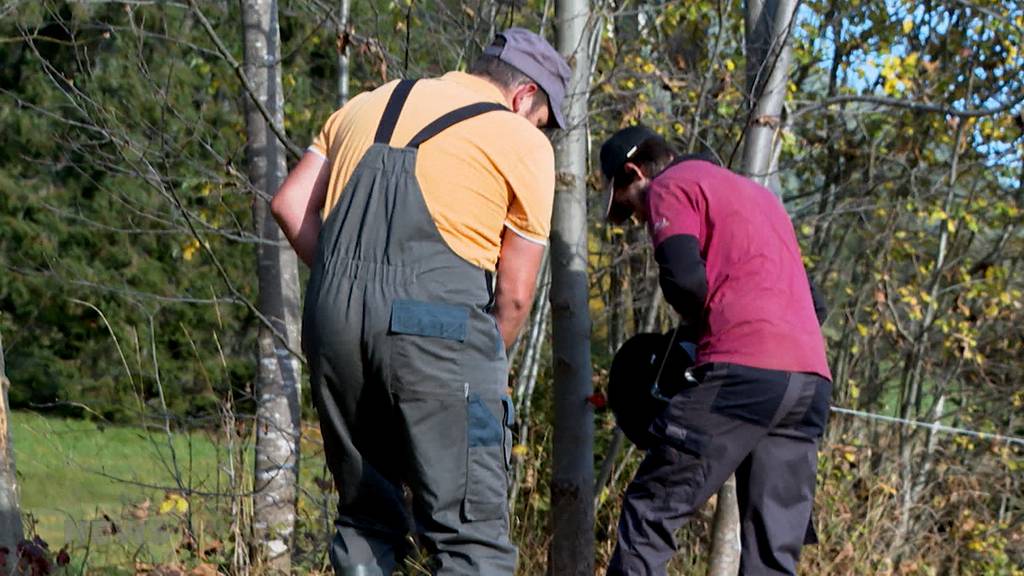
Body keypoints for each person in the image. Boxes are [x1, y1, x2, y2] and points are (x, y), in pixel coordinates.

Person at [271, 28, 570, 576]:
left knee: (367, 517)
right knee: (471, 541)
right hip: (439, 329)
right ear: (525, 96)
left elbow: (290, 205)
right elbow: (516, 294)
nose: (540, 132)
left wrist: (353, 289)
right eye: (544, 119)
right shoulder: (518, 137)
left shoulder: (363, 104)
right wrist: (478, 363)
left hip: (333, 318)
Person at [599, 125, 833, 576]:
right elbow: (815, 305)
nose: (640, 221)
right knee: (772, 553)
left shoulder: (671, 186)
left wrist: (708, 334)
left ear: (635, 171)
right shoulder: (759, 198)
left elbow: (685, 281)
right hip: (810, 383)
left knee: (651, 511)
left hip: (741, 373)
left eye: (632, 209)